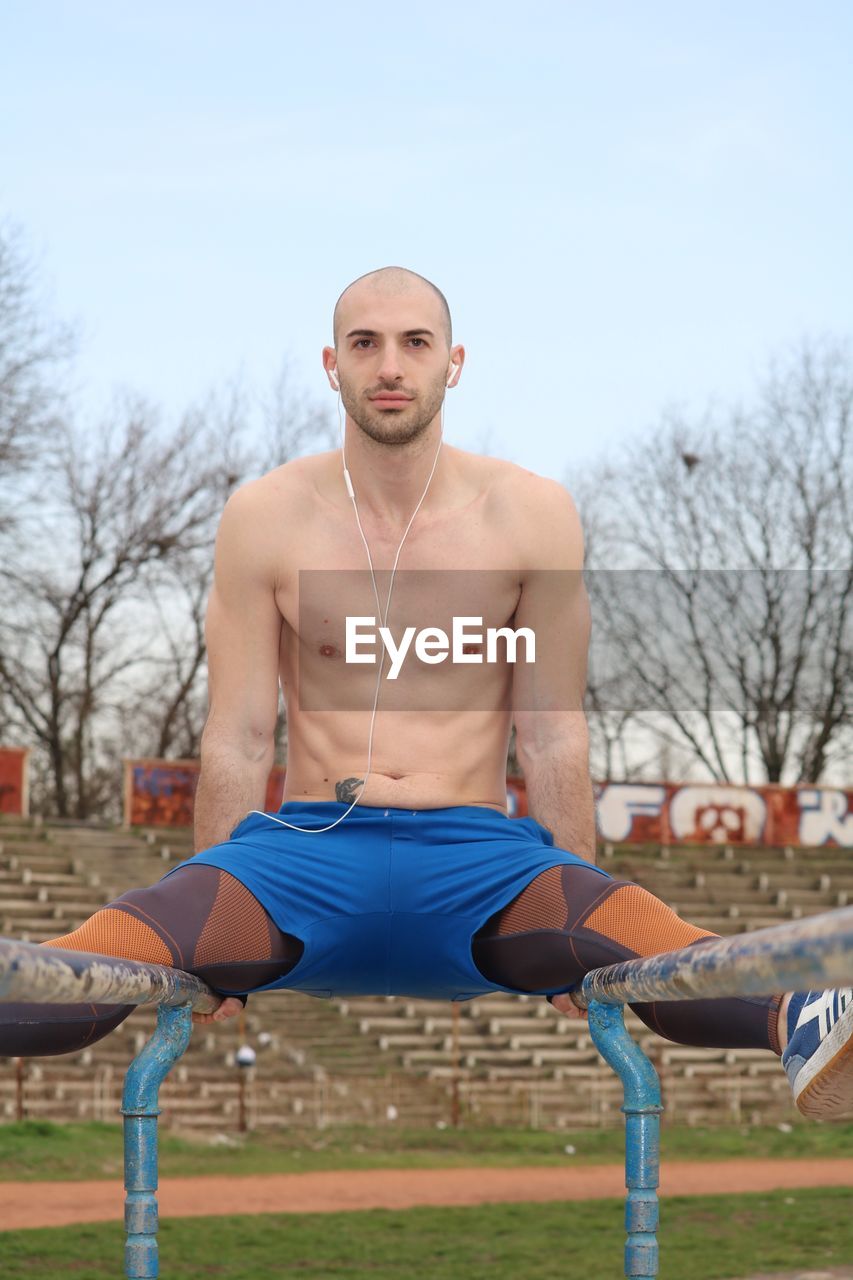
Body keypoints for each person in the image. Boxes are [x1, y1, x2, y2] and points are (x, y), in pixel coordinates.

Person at [2, 267, 850, 1121]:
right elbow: (240, 737)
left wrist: (578, 904)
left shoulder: (531, 515)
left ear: (455, 361)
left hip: (482, 865)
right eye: (365, 344)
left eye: (415, 342)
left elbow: (553, 737)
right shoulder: (265, 515)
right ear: (332, 364)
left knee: (656, 952)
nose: (390, 366)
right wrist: (208, 904)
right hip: (302, 859)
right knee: (92, 965)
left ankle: (804, 1014)